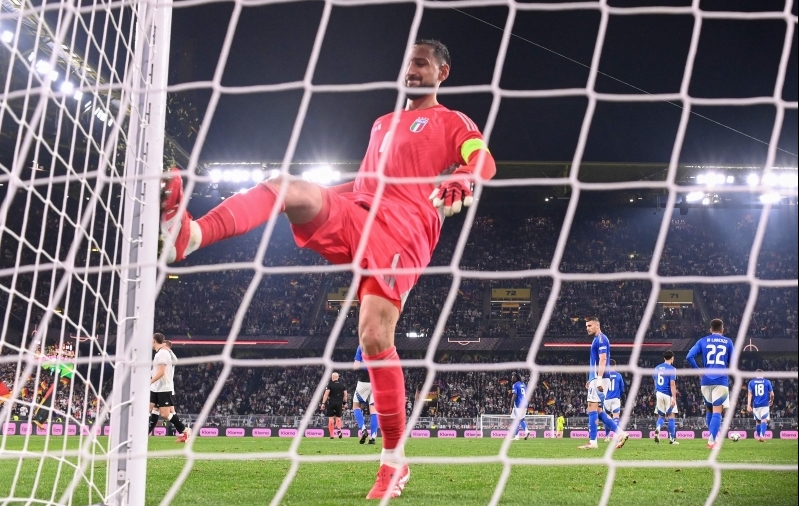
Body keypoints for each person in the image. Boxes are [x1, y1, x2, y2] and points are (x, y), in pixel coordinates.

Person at [159, 39, 496, 499]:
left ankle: (394, 462)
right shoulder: (381, 124)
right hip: (358, 210)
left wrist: (463, 176)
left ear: (443, 73)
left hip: (403, 231)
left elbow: (482, 159)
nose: (411, 70)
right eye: (407, 63)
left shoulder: (452, 121)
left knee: (375, 337)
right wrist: (312, 192)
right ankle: (189, 236)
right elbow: (362, 182)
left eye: (421, 64)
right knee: (283, 185)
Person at [579, 317, 628, 450]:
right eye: (586, 326)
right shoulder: (597, 339)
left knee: (591, 407)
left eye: (590, 325)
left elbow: (602, 360)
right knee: (599, 411)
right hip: (596, 377)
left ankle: (593, 442)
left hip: (600, 378)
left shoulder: (601, 339)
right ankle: (620, 433)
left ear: (597, 325)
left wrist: (598, 379)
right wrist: (591, 378)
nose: (587, 328)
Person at [687, 318, 734, 449]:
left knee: (709, 409)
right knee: (717, 411)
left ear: (710, 330)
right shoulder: (728, 342)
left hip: (705, 380)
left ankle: (713, 438)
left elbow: (689, 356)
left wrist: (698, 371)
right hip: (721, 380)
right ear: (722, 330)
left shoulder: (703, 341)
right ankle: (712, 441)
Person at [149, 333, 190, 442]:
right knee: (150, 409)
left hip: (163, 388)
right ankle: (143, 433)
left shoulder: (163, 353)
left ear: (154, 341)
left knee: (165, 414)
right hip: (157, 387)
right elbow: (156, 371)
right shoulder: (159, 353)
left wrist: (149, 382)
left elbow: (162, 372)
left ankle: (185, 430)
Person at [353, 345, 378, 445]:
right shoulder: (380, 345)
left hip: (364, 379)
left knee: (356, 406)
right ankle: (373, 437)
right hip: (377, 380)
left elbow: (356, 366)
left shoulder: (361, 346)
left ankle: (363, 429)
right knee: (373, 409)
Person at [653, 350, 679, 445]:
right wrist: (674, 398)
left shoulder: (657, 368)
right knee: (671, 416)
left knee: (661, 416)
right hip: (667, 394)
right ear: (672, 358)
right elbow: (672, 384)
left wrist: (657, 391)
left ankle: (658, 428)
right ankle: (672, 439)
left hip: (659, 393)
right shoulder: (672, 369)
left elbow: (655, 381)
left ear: (664, 358)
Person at [747, 370, 774, 443]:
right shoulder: (767, 381)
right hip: (765, 404)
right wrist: (771, 400)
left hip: (756, 405)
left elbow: (750, 394)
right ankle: (762, 436)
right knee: (764, 420)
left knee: (758, 421)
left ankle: (759, 437)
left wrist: (748, 405)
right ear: (763, 374)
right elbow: (772, 394)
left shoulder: (751, 382)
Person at [602, 359, 624, 443]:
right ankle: (617, 436)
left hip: (606, 399)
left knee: (607, 418)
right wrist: (619, 395)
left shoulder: (605, 375)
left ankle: (607, 437)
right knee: (616, 417)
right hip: (615, 399)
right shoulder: (618, 375)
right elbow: (622, 388)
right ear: (615, 366)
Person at [321, 372, 348, 439]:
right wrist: (344, 404)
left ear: (332, 377)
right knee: (338, 418)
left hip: (331, 403)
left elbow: (326, 394)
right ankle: (339, 430)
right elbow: (345, 395)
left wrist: (323, 403)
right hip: (339, 403)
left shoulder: (330, 385)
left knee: (331, 419)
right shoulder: (342, 385)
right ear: (338, 377)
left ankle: (331, 435)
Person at [509, 372, 529, 441]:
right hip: (525, 404)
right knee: (520, 419)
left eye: (513, 377)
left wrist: (511, 406)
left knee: (518, 420)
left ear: (516, 378)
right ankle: (518, 435)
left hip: (519, 405)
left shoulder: (515, 385)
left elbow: (514, 395)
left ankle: (524, 432)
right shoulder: (523, 384)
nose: (511, 378)